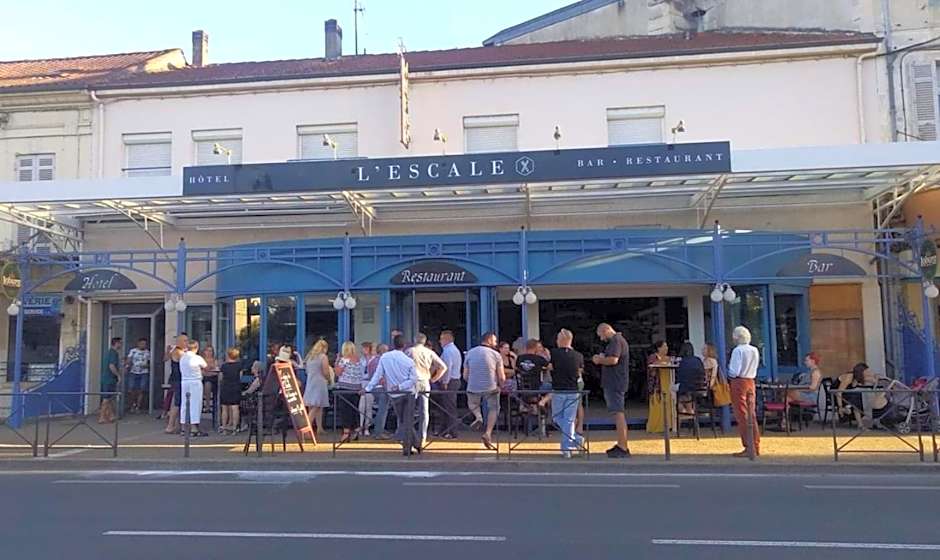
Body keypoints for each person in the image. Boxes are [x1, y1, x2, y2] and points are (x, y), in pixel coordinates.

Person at [365, 335, 420, 456]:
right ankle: (413, 445)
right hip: (408, 392)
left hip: (394, 394)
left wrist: (367, 388)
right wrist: (401, 386)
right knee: (407, 421)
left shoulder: (385, 358)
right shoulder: (409, 361)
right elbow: (414, 379)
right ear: (404, 346)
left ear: (392, 344)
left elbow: (377, 375)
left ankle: (412, 445)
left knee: (404, 420)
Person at [592, 323, 631, 458]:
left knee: (618, 413)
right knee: (617, 413)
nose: (602, 339)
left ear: (606, 330)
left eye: (601, 335)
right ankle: (621, 444)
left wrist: (599, 360)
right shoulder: (617, 341)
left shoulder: (616, 341)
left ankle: (623, 446)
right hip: (615, 381)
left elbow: (614, 360)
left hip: (615, 382)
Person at [463, 332, 505, 450]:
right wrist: (501, 386)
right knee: (494, 408)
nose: (496, 343)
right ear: (490, 340)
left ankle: (478, 416)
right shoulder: (496, 355)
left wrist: (470, 382)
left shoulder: (470, 353)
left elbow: (465, 375)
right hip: (491, 386)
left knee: (473, 403)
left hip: (473, 386)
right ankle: (488, 432)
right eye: (495, 341)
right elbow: (501, 376)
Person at [407, 333, 447, 447]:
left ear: (415, 340)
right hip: (425, 381)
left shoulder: (409, 351)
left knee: (409, 411)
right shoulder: (429, 352)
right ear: (424, 341)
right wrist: (434, 379)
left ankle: (410, 437)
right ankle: (422, 438)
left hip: (412, 382)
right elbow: (443, 367)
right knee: (424, 411)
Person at [550, 329, 585, 458]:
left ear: (562, 340)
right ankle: (575, 440)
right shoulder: (579, 355)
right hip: (573, 390)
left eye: (558, 338)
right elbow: (579, 371)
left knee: (556, 417)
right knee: (569, 420)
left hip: (559, 389)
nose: (556, 341)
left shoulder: (554, 353)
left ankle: (567, 447)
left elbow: (550, 367)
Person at [727, 326, 761, 457]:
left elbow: (734, 370)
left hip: (739, 382)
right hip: (750, 381)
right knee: (751, 413)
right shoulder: (754, 350)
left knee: (742, 414)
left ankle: (748, 445)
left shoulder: (738, 350)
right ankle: (755, 444)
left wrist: (729, 374)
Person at [334, 341, 366, 443]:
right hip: (357, 388)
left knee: (345, 410)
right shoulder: (359, 360)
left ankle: (346, 432)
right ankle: (356, 429)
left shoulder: (344, 360)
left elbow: (338, 373)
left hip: (345, 387)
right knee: (354, 409)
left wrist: (337, 362)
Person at [437, 330, 463, 439]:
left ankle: (452, 432)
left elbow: (447, 368)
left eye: (441, 339)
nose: (440, 341)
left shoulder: (448, 351)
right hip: (454, 380)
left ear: (447, 339)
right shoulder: (454, 350)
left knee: (449, 407)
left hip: (450, 381)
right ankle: (443, 430)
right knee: (446, 406)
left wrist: (445, 382)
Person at [303, 340, 332, 436]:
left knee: (314, 406)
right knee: (316, 406)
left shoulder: (310, 357)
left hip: (311, 382)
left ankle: (320, 428)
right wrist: (329, 379)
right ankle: (307, 429)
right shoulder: (323, 357)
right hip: (319, 383)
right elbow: (326, 371)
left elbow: (306, 371)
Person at [179, 340, 208, 437]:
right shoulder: (197, 358)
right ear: (196, 347)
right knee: (195, 404)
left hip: (184, 381)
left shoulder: (182, 357)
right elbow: (206, 367)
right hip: (195, 382)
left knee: (184, 404)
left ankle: (183, 427)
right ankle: (194, 428)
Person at [164, 333, 188, 434]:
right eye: (185, 341)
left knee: (180, 402)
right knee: (178, 403)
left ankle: (177, 424)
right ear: (179, 342)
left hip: (179, 379)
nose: (187, 343)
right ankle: (170, 425)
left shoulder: (179, 351)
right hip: (178, 380)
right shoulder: (178, 352)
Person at [675, 342, 706, 414]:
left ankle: (679, 411)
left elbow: (679, 377)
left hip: (686, 386)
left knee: (671, 389)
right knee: (686, 392)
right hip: (699, 386)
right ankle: (689, 409)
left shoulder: (682, 362)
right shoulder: (698, 360)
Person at [369, 344, 392, 439]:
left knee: (382, 409)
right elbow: (382, 377)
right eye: (386, 350)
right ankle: (378, 432)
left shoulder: (372, 360)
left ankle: (378, 429)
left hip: (374, 387)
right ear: (382, 351)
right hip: (381, 388)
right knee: (383, 410)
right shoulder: (382, 361)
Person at [219, 347, 243, 434]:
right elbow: (240, 377)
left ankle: (224, 427)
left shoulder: (224, 366)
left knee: (224, 408)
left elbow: (221, 378)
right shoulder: (239, 366)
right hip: (235, 386)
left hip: (225, 387)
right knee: (235, 408)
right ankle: (234, 428)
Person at [98, 337, 123, 424]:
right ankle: (102, 417)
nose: (121, 345)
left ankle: (111, 415)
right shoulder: (114, 353)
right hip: (110, 379)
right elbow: (111, 366)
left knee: (110, 398)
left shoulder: (108, 352)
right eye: (120, 343)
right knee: (106, 398)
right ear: (116, 343)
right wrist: (118, 375)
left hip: (105, 378)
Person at [124, 337, 150, 414]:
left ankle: (138, 406)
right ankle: (133, 404)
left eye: (144, 344)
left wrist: (147, 366)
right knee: (131, 389)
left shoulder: (147, 352)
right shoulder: (133, 351)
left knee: (141, 389)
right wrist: (126, 366)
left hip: (144, 373)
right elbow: (128, 360)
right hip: (133, 372)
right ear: (138, 344)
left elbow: (150, 363)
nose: (143, 345)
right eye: (142, 344)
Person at [358, 342, 376, 436]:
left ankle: (367, 427)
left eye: (365, 348)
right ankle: (361, 426)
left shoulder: (374, 359)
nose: (363, 350)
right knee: (361, 406)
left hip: (370, 383)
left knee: (368, 407)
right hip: (362, 382)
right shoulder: (361, 359)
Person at [201, 345, 220, 412]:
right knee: (207, 383)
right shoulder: (201, 360)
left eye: (210, 351)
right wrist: (209, 370)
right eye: (207, 350)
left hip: (213, 379)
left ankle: (209, 405)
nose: (209, 352)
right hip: (203, 379)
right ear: (204, 352)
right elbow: (201, 372)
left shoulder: (215, 360)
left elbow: (216, 371)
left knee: (208, 382)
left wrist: (208, 371)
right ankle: (207, 405)